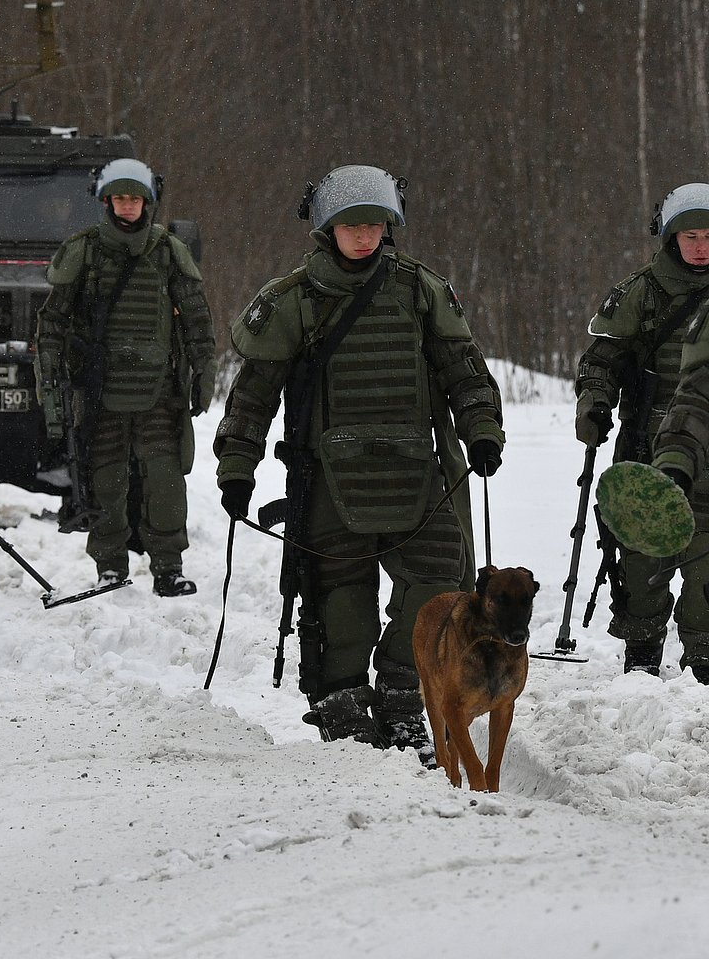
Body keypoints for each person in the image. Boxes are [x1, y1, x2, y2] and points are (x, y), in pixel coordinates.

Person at [214, 165, 504, 756]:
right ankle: (343, 704)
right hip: (327, 478)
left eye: (375, 224)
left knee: (436, 588)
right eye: (351, 226)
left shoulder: (421, 291)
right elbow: (252, 395)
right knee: (339, 598)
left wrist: (482, 431)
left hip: (417, 473)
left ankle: (404, 693)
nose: (365, 237)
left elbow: (464, 370)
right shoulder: (294, 301)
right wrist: (236, 467)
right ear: (326, 228)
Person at [35, 159, 216, 596]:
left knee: (165, 478)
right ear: (106, 200)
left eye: (135, 198)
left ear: (147, 200)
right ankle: (110, 566)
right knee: (107, 479)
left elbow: (196, 317)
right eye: (120, 198)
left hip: (159, 389)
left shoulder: (169, 250)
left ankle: (168, 566)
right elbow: (53, 323)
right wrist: (53, 386)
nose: (128, 206)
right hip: (100, 390)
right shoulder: (85, 250)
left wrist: (202, 370)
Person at [577, 183, 709, 681]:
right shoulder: (641, 292)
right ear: (670, 237)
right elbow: (601, 361)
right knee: (641, 564)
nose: (700, 246)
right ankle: (642, 662)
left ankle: (703, 673)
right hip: (647, 449)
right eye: (690, 235)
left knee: (706, 570)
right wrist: (594, 407)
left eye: (708, 236)